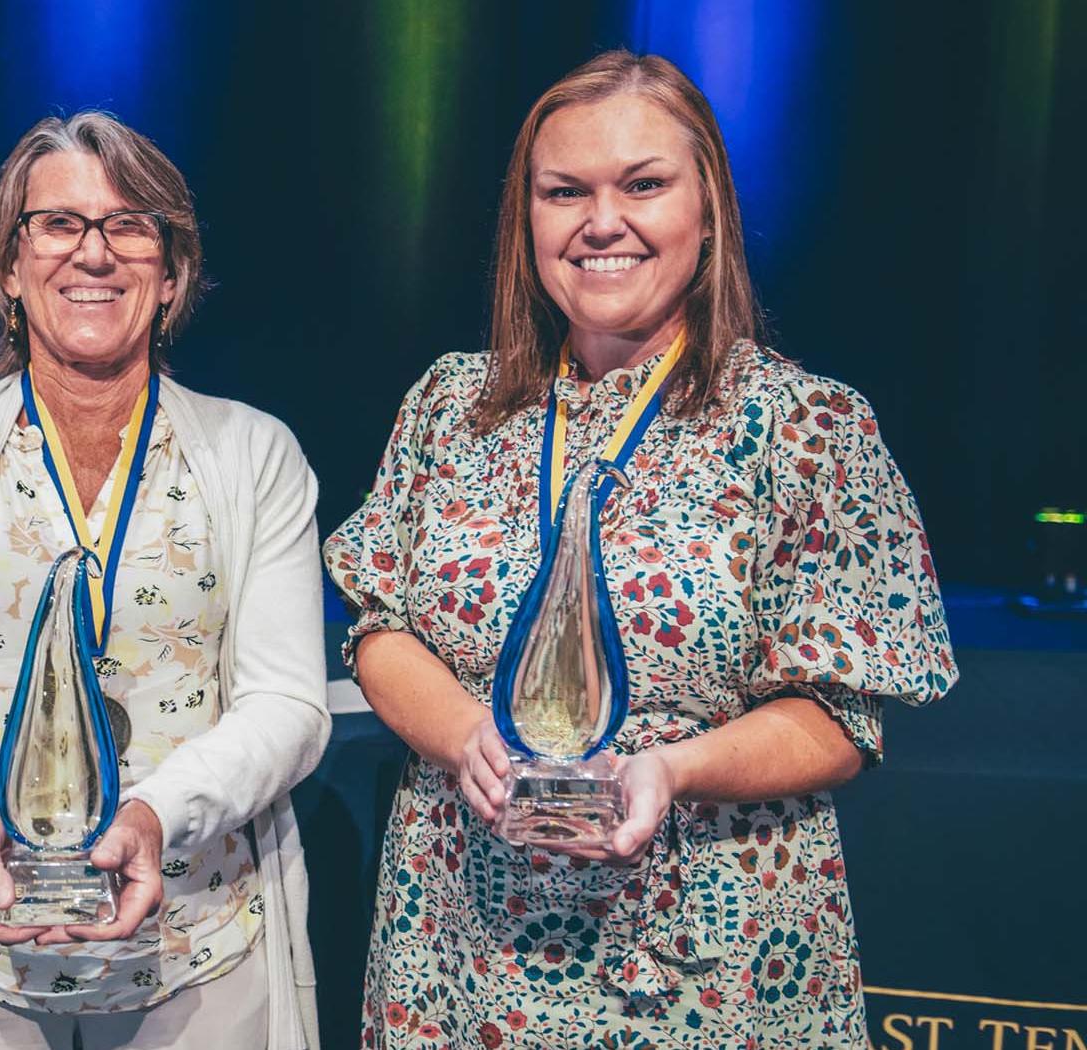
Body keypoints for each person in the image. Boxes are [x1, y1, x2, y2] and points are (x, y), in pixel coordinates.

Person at [324, 50, 957, 1048]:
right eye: (562, 191)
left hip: (705, 955)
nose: (599, 221)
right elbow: (378, 629)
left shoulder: (806, 426)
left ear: (706, 212)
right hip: (459, 949)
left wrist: (667, 769)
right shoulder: (450, 406)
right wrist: (460, 737)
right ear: (523, 217)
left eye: (643, 184)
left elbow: (840, 719)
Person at [0, 111, 328, 1050]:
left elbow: (290, 703)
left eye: (129, 225)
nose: (93, 253)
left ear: (172, 272)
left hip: (199, 953)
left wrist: (155, 813)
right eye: (58, 224)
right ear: (7, 267)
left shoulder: (257, 455)